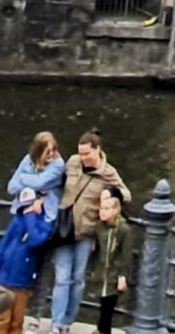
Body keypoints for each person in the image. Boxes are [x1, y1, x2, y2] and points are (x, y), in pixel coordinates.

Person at [50, 130, 130, 333]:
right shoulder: (72, 163)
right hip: (64, 230)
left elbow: (126, 195)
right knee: (61, 278)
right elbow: (56, 182)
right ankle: (57, 324)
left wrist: (111, 193)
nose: (83, 157)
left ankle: (68, 320)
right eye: (80, 153)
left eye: (87, 153)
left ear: (98, 150)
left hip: (86, 233)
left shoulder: (108, 172)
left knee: (77, 281)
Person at [0, 185, 56, 334]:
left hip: (23, 282)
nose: (27, 209)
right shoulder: (17, 221)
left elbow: (36, 241)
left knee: (17, 322)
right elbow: (2, 250)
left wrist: (31, 216)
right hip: (4, 280)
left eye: (30, 205)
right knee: (1, 320)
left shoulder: (44, 223)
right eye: (25, 206)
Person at [83, 186, 137, 334]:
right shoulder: (100, 227)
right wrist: (93, 269)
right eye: (101, 208)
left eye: (106, 209)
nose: (102, 212)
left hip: (114, 273)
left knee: (108, 306)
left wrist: (122, 276)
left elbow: (126, 255)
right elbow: (97, 250)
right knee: (103, 303)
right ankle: (101, 329)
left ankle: (103, 330)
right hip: (102, 271)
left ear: (116, 211)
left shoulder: (124, 230)